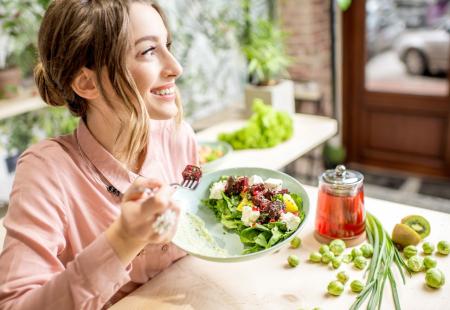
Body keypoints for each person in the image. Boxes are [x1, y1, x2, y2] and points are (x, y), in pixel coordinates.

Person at [0, 0, 199, 309]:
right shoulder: (46, 171)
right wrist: (123, 240)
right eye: (149, 51)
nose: (176, 67)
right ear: (87, 82)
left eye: (167, 45)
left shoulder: (178, 136)